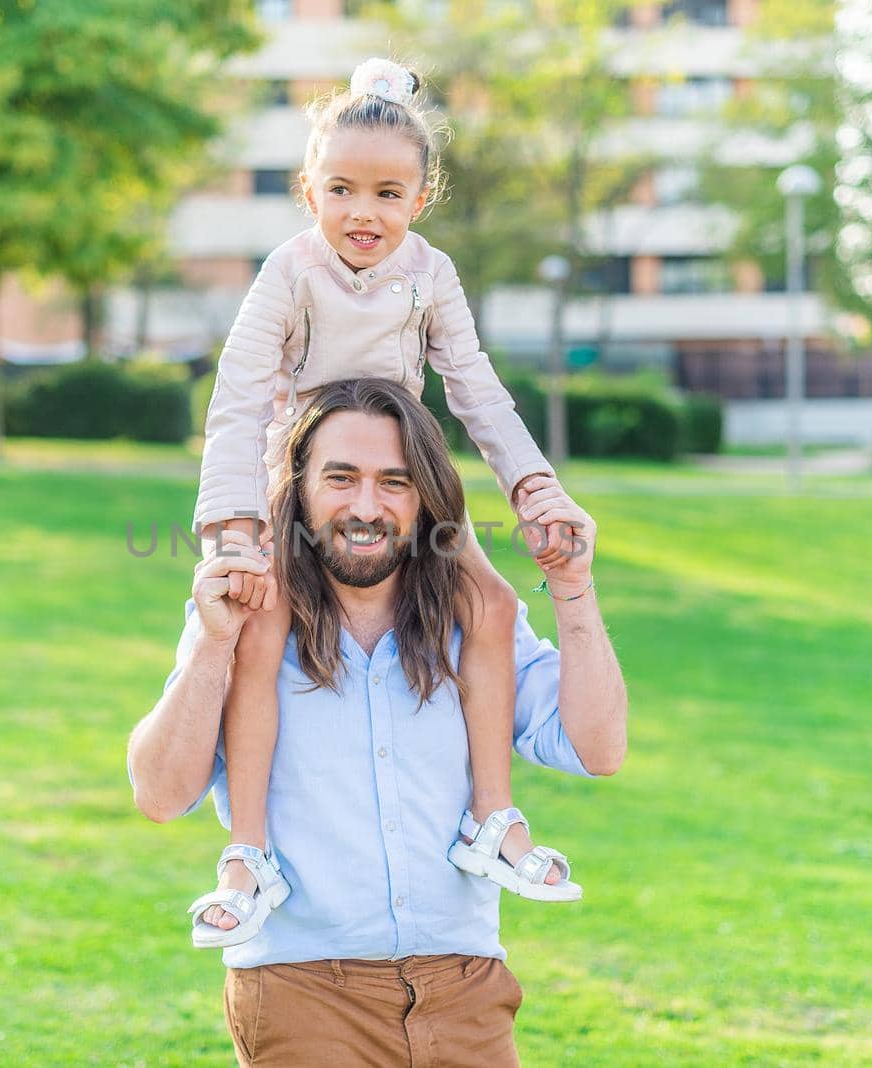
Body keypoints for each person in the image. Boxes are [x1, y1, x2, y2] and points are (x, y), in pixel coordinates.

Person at [191, 57, 595, 947]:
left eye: (386, 192)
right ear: (309, 191)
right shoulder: (288, 272)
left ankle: (493, 821)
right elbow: (240, 397)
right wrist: (233, 528)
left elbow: (478, 389)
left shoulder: (432, 275)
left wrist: (534, 486)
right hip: (303, 477)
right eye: (341, 190)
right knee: (260, 626)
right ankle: (247, 853)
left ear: (420, 197)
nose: (362, 213)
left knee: (488, 603)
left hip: (403, 468)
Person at [130, 378, 627, 1065]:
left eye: (394, 482)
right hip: (304, 992)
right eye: (341, 478)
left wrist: (573, 588)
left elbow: (597, 747)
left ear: (425, 496)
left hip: (467, 991)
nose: (367, 507)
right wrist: (214, 646)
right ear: (297, 486)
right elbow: (159, 794)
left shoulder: (474, 624)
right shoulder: (242, 621)